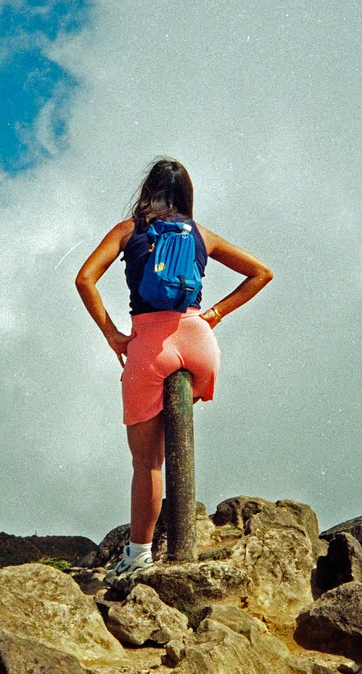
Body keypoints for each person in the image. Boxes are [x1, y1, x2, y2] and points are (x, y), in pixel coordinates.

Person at [75, 157, 273, 577]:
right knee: (178, 436)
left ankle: (139, 553)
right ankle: (182, 540)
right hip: (200, 342)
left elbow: (84, 279)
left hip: (149, 346)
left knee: (147, 463)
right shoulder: (201, 234)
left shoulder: (129, 231)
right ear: (187, 196)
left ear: (147, 190)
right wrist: (216, 313)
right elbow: (262, 272)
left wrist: (113, 334)